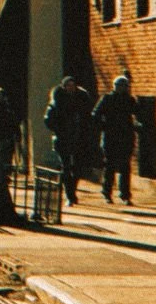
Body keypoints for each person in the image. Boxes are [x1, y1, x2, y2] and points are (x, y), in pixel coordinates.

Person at [92, 74, 144, 205]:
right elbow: (95, 114)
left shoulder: (129, 100)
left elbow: (138, 114)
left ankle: (125, 194)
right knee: (110, 166)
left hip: (126, 137)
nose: (122, 88)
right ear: (115, 87)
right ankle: (107, 192)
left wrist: (137, 125)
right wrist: (104, 126)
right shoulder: (107, 99)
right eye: (119, 86)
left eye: (124, 86)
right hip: (110, 137)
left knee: (125, 167)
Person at [42, 74, 91, 207]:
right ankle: (69, 195)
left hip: (78, 138)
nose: (71, 88)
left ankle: (72, 190)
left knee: (78, 167)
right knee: (66, 166)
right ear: (63, 87)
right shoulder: (57, 101)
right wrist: (58, 129)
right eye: (68, 86)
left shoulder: (82, 99)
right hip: (62, 138)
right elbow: (48, 119)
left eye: (72, 85)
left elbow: (88, 118)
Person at [0, 87, 22, 174]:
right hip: (4, 138)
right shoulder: (5, 109)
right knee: (5, 161)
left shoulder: (1, 109)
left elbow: (13, 122)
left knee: (5, 160)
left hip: (5, 138)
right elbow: (13, 122)